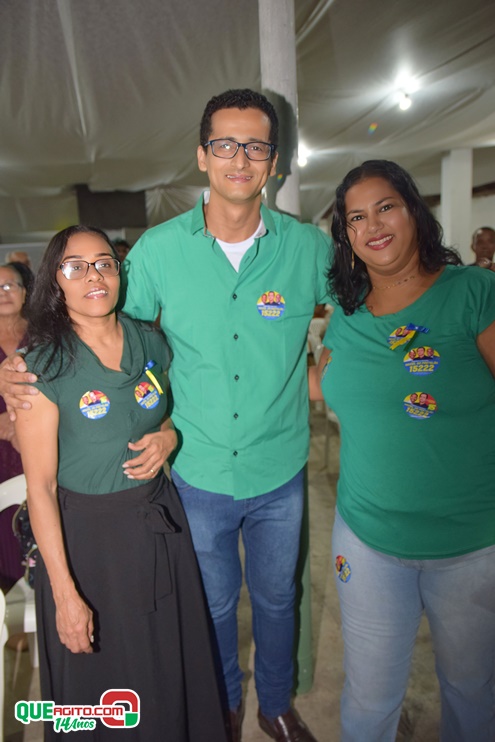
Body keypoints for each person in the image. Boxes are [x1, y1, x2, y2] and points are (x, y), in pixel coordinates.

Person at [2, 89, 330, 742]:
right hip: (195, 475)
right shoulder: (156, 252)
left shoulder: (308, 249)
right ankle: (220, 706)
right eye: (224, 144)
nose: (240, 158)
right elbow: (99, 331)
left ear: (275, 162)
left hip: (277, 464)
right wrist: (17, 367)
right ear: (202, 156)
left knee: (277, 598)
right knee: (208, 606)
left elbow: (356, 311)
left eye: (256, 146)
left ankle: (275, 704)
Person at [14, 225, 227, 742]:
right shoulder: (41, 368)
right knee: (106, 685)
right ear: (55, 282)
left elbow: (163, 415)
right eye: (76, 267)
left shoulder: (150, 341)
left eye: (104, 263)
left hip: (159, 529)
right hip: (89, 547)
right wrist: (65, 594)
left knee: (167, 670)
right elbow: (39, 489)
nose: (94, 276)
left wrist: (169, 436)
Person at [310, 160, 495, 742]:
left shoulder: (473, 293)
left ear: (414, 210)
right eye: (355, 218)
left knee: (472, 691)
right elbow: (323, 383)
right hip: (367, 539)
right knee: (368, 700)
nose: (373, 226)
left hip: (470, 543)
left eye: (385, 207)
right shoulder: (348, 312)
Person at [0, 263, 30, 592]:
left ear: (24, 292)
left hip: (39, 448)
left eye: (11, 285)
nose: (3, 293)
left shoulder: (44, 336)